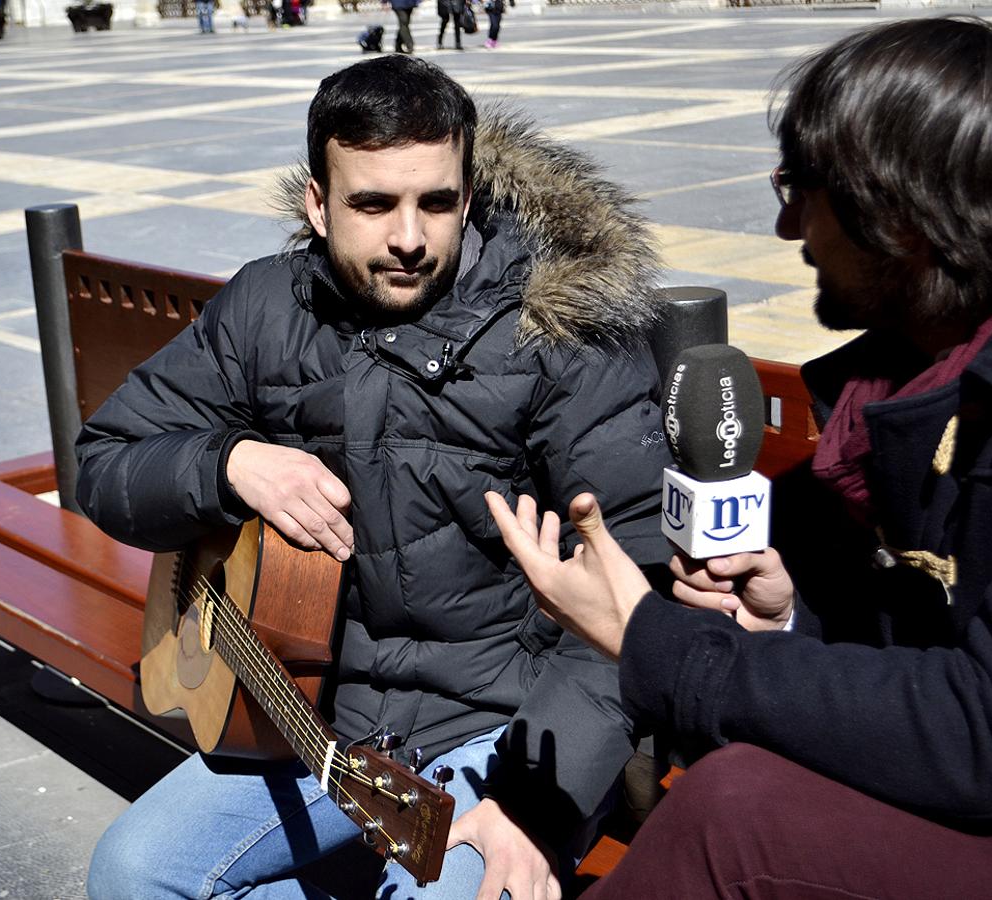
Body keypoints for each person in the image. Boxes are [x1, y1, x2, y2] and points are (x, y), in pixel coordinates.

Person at [76, 54, 669, 900]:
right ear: (317, 204)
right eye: (371, 204)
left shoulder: (558, 332)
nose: (408, 238)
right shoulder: (265, 307)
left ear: (468, 195)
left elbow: (637, 577)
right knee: (133, 874)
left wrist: (541, 798)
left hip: (508, 729)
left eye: (436, 202)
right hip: (318, 723)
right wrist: (229, 463)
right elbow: (105, 463)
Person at [487, 17, 992, 899]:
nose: (786, 223)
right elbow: (926, 649)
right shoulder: (916, 382)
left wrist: (650, 641)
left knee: (736, 814)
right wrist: (790, 622)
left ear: (896, 216)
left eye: (801, 188)